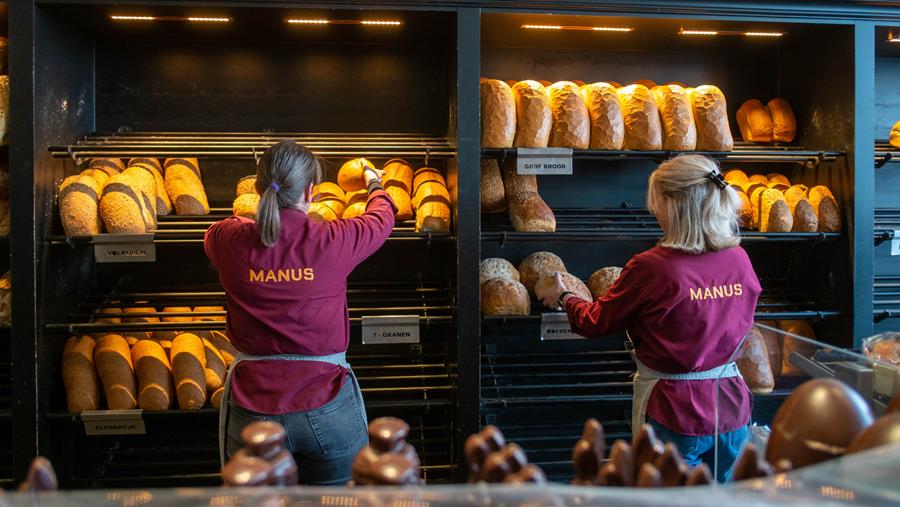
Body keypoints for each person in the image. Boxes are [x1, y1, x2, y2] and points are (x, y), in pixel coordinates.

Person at [536, 154, 761, 482]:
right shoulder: (739, 258)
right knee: (722, 498)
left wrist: (564, 295)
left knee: (664, 496)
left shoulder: (652, 267)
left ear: (673, 205)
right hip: (732, 408)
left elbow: (594, 322)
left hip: (675, 412)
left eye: (656, 203)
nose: (654, 212)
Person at [204, 140, 396, 485]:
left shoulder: (226, 240)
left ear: (259, 188)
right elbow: (381, 217)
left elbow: (226, 226)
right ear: (310, 191)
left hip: (253, 409)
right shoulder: (334, 239)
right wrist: (373, 181)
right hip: (327, 404)